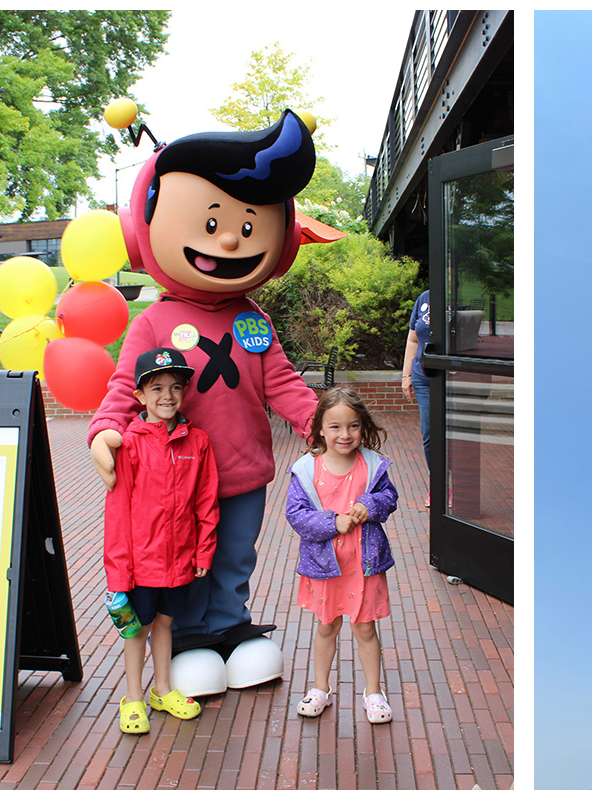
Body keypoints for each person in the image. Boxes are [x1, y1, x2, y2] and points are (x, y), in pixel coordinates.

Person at [89, 109, 324, 694]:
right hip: (173, 473)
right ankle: (189, 637)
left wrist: (323, 421)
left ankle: (230, 627)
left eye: (247, 227)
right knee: (182, 556)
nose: (226, 239)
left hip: (242, 469)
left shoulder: (253, 318)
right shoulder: (154, 322)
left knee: (235, 554)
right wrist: (104, 430)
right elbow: (123, 385)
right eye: (214, 220)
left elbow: (282, 382)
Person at [105, 348, 219, 734]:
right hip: (140, 563)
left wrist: (203, 549)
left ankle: (162, 689)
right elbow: (118, 513)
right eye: (156, 388)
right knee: (136, 629)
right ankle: (134, 696)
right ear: (139, 395)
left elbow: (206, 499)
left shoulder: (198, 442)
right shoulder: (129, 444)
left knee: (166, 622)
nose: (167, 396)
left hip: (181, 559)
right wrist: (118, 576)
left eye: (175, 387)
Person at [285, 387, 399, 724]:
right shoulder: (307, 469)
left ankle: (374, 691)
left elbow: (388, 497)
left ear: (362, 426)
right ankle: (321, 687)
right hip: (326, 566)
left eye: (352, 426)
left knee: (366, 630)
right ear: (320, 428)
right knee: (326, 627)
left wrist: (370, 504)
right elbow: (297, 514)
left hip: (364, 565)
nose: (344, 434)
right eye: (334, 426)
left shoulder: (373, 465)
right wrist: (333, 522)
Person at [400, 289, 431, 505]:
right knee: (429, 433)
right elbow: (412, 339)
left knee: (452, 435)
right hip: (423, 377)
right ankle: (438, 484)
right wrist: (406, 375)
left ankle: (458, 483)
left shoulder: (459, 299)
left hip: (451, 378)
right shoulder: (424, 298)